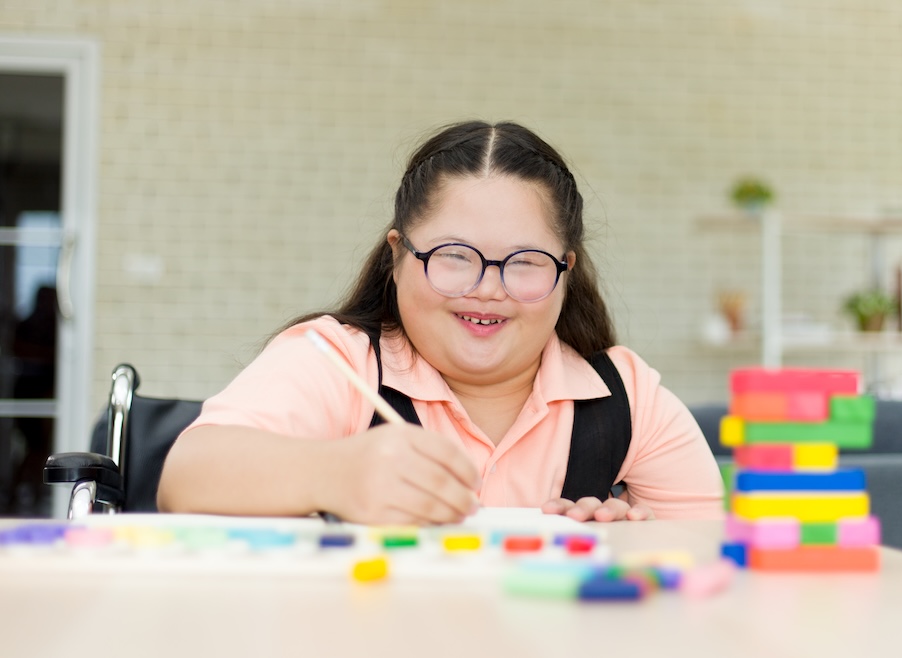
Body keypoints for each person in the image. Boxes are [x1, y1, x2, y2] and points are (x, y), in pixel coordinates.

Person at [157, 120, 724, 525]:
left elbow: (711, 554)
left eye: (525, 263)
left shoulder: (625, 395)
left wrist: (633, 548)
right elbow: (186, 477)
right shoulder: (337, 360)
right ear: (399, 255)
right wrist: (335, 474)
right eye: (455, 255)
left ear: (565, 270)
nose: (488, 289)